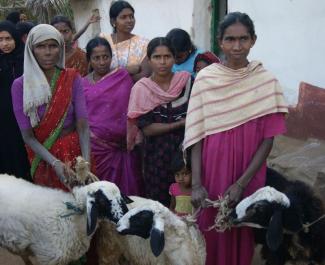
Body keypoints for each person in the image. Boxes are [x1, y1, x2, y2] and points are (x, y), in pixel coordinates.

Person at [184, 12, 288, 265]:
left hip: (249, 168)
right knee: (210, 225)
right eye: (230, 39)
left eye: (243, 39)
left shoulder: (266, 81)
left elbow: (268, 139)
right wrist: (197, 183)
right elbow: (197, 133)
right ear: (220, 41)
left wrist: (242, 183)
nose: (237, 46)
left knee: (241, 223)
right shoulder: (206, 79)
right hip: (213, 165)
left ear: (253, 40)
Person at [11, 24, 91, 191]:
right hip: (44, 158)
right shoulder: (20, 86)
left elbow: (83, 127)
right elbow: (28, 136)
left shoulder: (71, 78)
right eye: (40, 46)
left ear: (60, 48)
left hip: (76, 152)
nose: (47, 52)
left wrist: (85, 163)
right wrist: (55, 163)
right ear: (31, 50)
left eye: (53, 46)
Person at [127, 37, 192, 206]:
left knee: (188, 206)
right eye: (157, 57)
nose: (162, 62)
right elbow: (147, 129)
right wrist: (179, 124)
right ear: (149, 60)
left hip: (186, 157)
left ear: (174, 57)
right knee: (161, 207)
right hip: (156, 159)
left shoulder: (187, 82)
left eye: (167, 56)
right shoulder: (142, 88)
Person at [82, 37, 142, 195]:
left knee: (127, 193)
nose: (102, 62)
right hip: (96, 149)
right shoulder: (82, 84)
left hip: (124, 147)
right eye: (96, 58)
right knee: (101, 191)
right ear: (89, 60)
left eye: (105, 57)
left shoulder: (122, 76)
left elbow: (130, 108)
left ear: (111, 57)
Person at [0, 21, 30, 180]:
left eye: (8, 38)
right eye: (0, 39)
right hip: (3, 122)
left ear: (16, 39)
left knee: (24, 154)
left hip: (24, 118)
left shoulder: (26, 59)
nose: (4, 44)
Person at [100, 0, 151, 81]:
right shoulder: (103, 41)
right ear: (113, 21)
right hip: (105, 90)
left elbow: (145, 74)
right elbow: (97, 72)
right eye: (123, 17)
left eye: (131, 16)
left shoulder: (143, 43)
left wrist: (116, 77)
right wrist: (127, 70)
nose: (129, 20)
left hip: (134, 90)